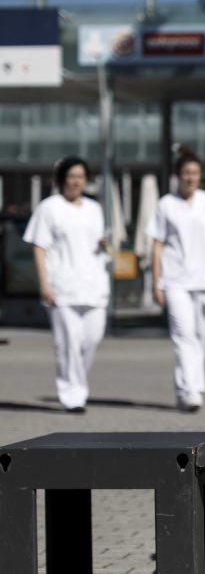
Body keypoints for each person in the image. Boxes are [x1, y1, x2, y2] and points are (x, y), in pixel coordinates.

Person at [145, 147, 205, 412]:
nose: (190, 178)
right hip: (175, 280)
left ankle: (190, 386)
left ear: (200, 176)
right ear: (177, 176)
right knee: (183, 334)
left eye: (195, 173)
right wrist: (155, 282)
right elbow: (157, 245)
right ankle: (189, 391)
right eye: (186, 173)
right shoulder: (165, 205)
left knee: (200, 336)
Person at [23, 155, 110, 412]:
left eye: (80, 177)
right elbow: (39, 248)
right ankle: (73, 396)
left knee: (92, 338)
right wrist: (44, 284)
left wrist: (103, 244)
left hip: (94, 286)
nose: (76, 182)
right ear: (62, 180)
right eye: (71, 177)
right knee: (68, 342)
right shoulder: (49, 208)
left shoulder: (94, 209)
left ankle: (76, 383)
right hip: (62, 287)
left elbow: (97, 243)